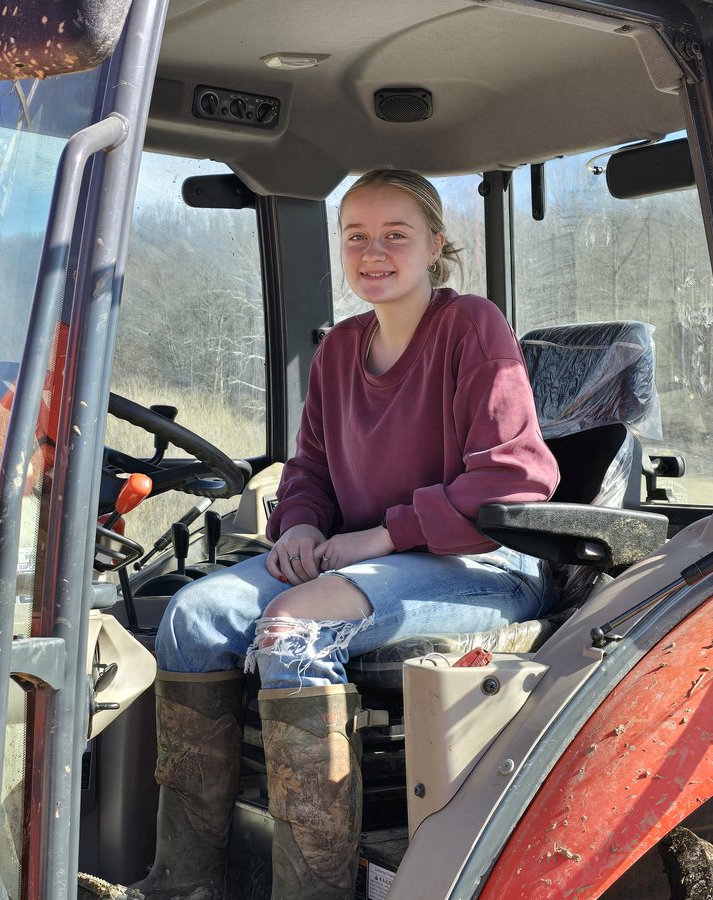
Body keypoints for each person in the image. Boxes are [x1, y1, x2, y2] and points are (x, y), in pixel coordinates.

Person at [139, 169, 560, 900]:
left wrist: (380, 537)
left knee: (296, 624)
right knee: (194, 615)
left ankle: (311, 891)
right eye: (356, 236)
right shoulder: (339, 351)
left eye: (396, 234)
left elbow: (514, 480)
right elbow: (311, 468)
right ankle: (188, 885)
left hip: (485, 562)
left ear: (435, 244)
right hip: (366, 564)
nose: (374, 251)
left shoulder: (471, 329)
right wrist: (300, 523)